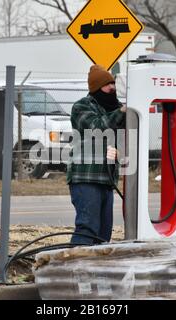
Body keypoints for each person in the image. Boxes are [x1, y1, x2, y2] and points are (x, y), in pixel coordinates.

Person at [66, 64, 126, 245]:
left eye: (113, 83)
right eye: (108, 84)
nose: (113, 88)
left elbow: (124, 140)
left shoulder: (115, 108)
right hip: (86, 177)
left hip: (106, 180)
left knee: (103, 233)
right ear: (97, 87)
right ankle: (75, 267)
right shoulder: (82, 106)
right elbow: (97, 127)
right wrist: (121, 111)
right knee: (87, 228)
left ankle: (95, 270)